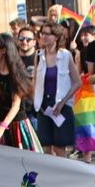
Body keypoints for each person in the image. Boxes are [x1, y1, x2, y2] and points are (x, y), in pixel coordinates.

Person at [30, 23, 79, 157]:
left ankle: (64, 176)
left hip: (60, 105)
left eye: (48, 34)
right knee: (45, 146)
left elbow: (77, 82)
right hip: (43, 105)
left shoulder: (65, 55)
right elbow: (35, 80)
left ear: (56, 37)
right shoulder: (39, 55)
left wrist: (63, 102)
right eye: (42, 33)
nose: (44, 37)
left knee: (59, 147)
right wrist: (36, 101)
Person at [0, 33, 33, 146]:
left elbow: (16, 105)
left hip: (16, 125)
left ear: (3, 50)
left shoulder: (16, 75)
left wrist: (2, 128)